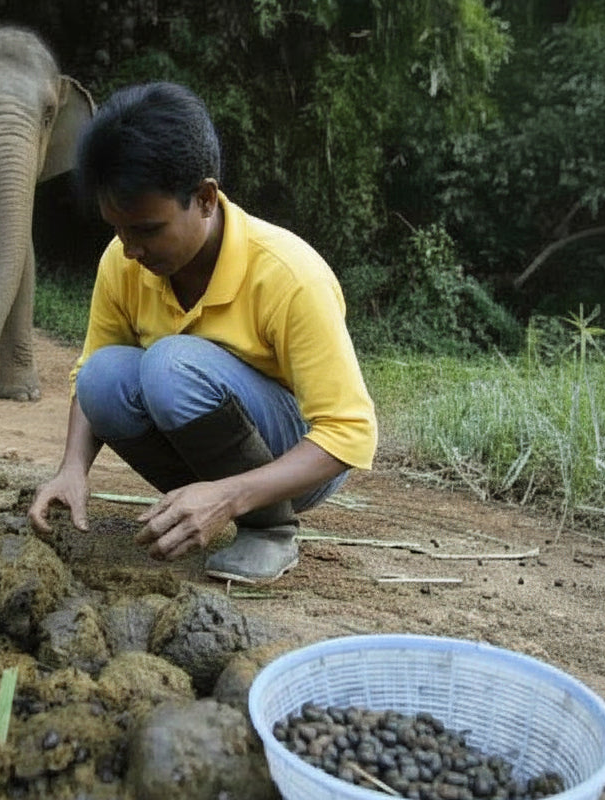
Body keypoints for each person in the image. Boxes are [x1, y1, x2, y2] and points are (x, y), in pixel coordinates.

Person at [28, 81, 377, 584]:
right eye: (117, 229)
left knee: (171, 367)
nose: (130, 249)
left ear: (206, 199)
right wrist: (72, 469)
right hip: (210, 439)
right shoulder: (123, 262)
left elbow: (349, 435)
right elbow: (93, 374)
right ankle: (203, 505)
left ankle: (268, 531)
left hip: (295, 458)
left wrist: (229, 495)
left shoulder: (289, 275)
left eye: (147, 229)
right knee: (102, 378)